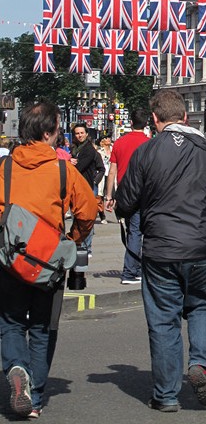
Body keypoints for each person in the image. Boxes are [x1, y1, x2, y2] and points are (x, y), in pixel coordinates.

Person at [114, 88, 206, 412]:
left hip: (160, 250)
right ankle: (200, 364)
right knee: (202, 305)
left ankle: (166, 395)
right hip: (202, 247)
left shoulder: (145, 151)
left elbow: (124, 203)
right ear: (185, 117)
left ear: (154, 120)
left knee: (163, 320)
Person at [0, 101, 97, 418]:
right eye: (57, 128)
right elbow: (88, 212)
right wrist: (73, 241)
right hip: (49, 265)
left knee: (12, 324)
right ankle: (36, 398)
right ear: (47, 132)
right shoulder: (62, 170)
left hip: (10, 261)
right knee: (43, 329)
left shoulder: (5, 168)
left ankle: (16, 367)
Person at [104, 109, 150, 284]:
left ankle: (136, 269)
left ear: (131, 123)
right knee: (137, 233)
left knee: (133, 231)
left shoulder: (119, 143)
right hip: (143, 193)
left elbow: (112, 172)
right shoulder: (149, 143)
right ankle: (130, 272)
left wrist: (108, 196)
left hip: (124, 193)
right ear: (146, 124)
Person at [71, 123, 105, 256]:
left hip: (87, 187)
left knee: (86, 218)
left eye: (81, 133)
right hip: (76, 187)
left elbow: (80, 167)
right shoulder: (74, 149)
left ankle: (87, 247)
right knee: (78, 217)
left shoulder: (89, 150)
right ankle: (79, 243)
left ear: (86, 134)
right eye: (77, 133)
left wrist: (95, 182)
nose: (79, 135)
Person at [96, 134, 112, 224]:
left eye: (109, 138)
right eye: (106, 138)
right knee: (100, 196)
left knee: (114, 194)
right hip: (102, 175)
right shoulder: (99, 152)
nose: (108, 139)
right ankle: (102, 216)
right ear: (102, 141)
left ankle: (119, 215)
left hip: (111, 175)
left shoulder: (113, 150)